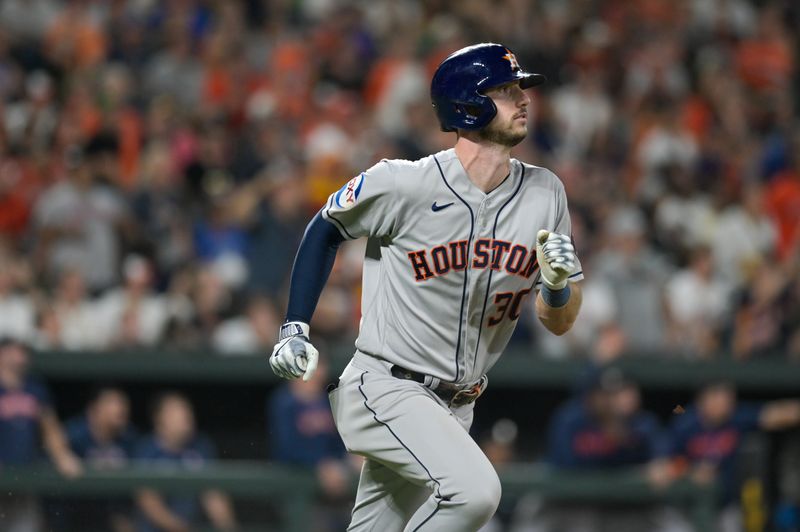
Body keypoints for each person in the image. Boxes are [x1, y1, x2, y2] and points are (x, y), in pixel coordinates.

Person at [270, 43, 583, 531]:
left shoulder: (546, 194)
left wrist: (559, 286)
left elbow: (558, 323)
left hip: (458, 405)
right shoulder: (405, 183)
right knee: (476, 494)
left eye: (520, 88)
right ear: (467, 104)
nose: (523, 99)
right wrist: (295, 325)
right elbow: (324, 228)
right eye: (505, 90)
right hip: (387, 387)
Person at [666, 381, 800, 532]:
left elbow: (775, 415)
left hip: (727, 505)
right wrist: (692, 471)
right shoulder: (685, 422)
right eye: (718, 399)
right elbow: (668, 464)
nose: (725, 404)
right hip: (689, 506)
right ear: (703, 401)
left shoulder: (736, 417)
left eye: (728, 400)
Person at [0, 338, 82, 532]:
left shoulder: (34, 388)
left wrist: (62, 455)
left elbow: (50, 427)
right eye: (14, 351)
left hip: (25, 476)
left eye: (23, 352)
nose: (20, 357)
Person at [268, 357, 353, 531]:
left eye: (320, 363)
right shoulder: (283, 402)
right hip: (297, 487)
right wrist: (318, 465)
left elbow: (339, 443)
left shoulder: (329, 400)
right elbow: (286, 449)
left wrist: (348, 458)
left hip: (335, 487)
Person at [132, 392, 237, 532]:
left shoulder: (201, 446)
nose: (186, 416)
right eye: (176, 411)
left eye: (187, 410)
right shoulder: (145, 449)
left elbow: (213, 495)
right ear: (158, 418)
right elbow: (147, 500)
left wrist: (228, 527)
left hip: (192, 526)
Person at [52, 386, 139, 532]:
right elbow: (54, 440)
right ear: (93, 409)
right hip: (73, 511)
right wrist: (63, 455)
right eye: (112, 403)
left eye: (123, 404)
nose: (120, 409)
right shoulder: (76, 433)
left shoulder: (128, 438)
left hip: (111, 513)